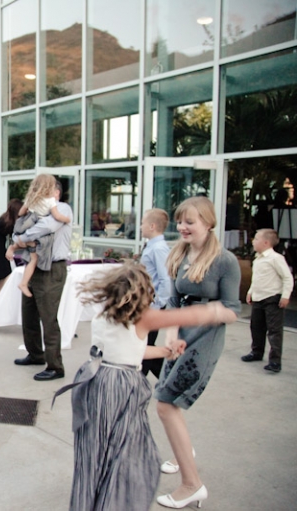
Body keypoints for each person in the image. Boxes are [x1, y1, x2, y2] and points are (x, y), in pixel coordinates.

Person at [59, 262, 237, 511]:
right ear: (143, 293)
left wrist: (165, 351)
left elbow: (129, 350)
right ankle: (115, 499)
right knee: (126, 448)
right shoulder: (144, 317)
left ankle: (92, 497)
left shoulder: (104, 314)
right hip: (120, 387)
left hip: (95, 379)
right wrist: (219, 311)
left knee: (98, 445)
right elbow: (187, 316)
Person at [154, 196, 241, 509]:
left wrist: (197, 317)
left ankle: (192, 485)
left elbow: (233, 310)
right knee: (167, 401)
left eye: (190, 221)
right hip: (180, 334)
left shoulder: (224, 261)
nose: (182, 227)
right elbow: (174, 302)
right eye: (180, 221)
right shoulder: (179, 252)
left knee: (165, 403)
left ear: (208, 222)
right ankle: (184, 452)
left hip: (205, 338)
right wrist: (172, 336)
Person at [13, 179, 72, 381]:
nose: (41, 193)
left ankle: (55, 366)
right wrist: (20, 238)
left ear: (56, 192)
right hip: (34, 265)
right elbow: (19, 225)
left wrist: (19, 241)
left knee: (48, 317)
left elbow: (43, 228)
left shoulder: (62, 208)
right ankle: (35, 354)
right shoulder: (39, 208)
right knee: (28, 313)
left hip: (52, 268)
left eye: (46, 190)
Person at [5, 174, 71, 298]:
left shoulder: (31, 200)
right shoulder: (54, 203)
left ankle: (14, 248)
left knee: (31, 248)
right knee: (35, 255)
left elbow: (20, 214)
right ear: (53, 190)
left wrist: (20, 238)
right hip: (42, 251)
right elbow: (48, 225)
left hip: (28, 223)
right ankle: (23, 283)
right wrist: (66, 219)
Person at [241, 228, 293, 373]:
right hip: (258, 297)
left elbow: (287, 277)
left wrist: (285, 296)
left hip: (272, 298)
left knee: (274, 330)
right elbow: (256, 278)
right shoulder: (258, 258)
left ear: (265, 242)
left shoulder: (276, 258)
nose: (253, 241)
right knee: (256, 326)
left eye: (256, 239)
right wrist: (251, 292)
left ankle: (275, 361)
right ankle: (256, 352)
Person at [140, 208, 172, 378]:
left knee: (145, 345)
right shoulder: (152, 246)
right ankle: (163, 378)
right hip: (147, 302)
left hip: (152, 304)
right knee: (145, 343)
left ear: (152, 226)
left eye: (143, 223)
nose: (140, 226)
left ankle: (166, 379)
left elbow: (165, 279)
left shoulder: (158, 248)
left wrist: (157, 304)